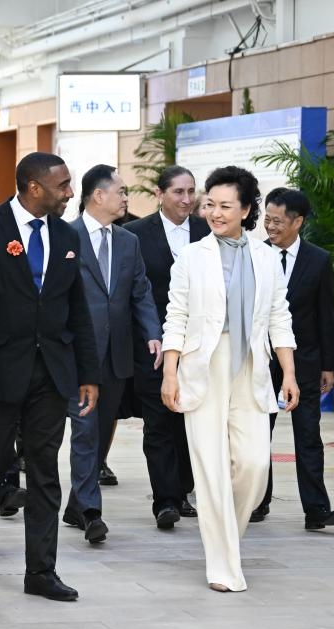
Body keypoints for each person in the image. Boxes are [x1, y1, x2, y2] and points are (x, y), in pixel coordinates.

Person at [0, 151, 100, 602]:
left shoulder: (68, 234)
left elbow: (77, 309)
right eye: (63, 185)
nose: (70, 193)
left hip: (50, 372)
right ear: (35, 187)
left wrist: (88, 372)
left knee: (45, 469)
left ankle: (41, 571)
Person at [160, 165, 298, 593]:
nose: (214, 213)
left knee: (254, 466)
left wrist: (288, 371)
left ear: (246, 209)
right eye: (210, 204)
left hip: (251, 366)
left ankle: (226, 540)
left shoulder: (265, 257)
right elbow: (176, 316)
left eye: (224, 206)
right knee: (210, 468)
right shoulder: (191, 256)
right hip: (203, 366)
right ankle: (222, 565)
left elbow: (279, 316)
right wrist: (169, 372)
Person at [62, 164, 161, 544]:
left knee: (101, 431)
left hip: (117, 353)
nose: (125, 198)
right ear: (97, 195)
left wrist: (152, 333)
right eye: (120, 191)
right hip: (76, 353)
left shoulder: (127, 241)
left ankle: (76, 504)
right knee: (85, 430)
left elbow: (140, 291)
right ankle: (90, 511)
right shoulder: (65, 236)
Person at [254, 188, 334, 529]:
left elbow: (326, 316)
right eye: (267, 220)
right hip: (262, 362)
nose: (271, 227)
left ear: (298, 222)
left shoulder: (318, 260)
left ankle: (317, 510)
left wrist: (328, 365)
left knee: (308, 435)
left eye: (278, 221)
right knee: (259, 433)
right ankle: (257, 502)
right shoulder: (255, 255)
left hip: (305, 362)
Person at [122, 165, 209, 528]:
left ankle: (184, 489)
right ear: (160, 194)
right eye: (178, 192)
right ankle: (166, 501)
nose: (187, 199)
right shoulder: (135, 235)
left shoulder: (209, 232)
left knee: (190, 420)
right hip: (153, 345)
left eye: (191, 192)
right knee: (157, 422)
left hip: (199, 345)